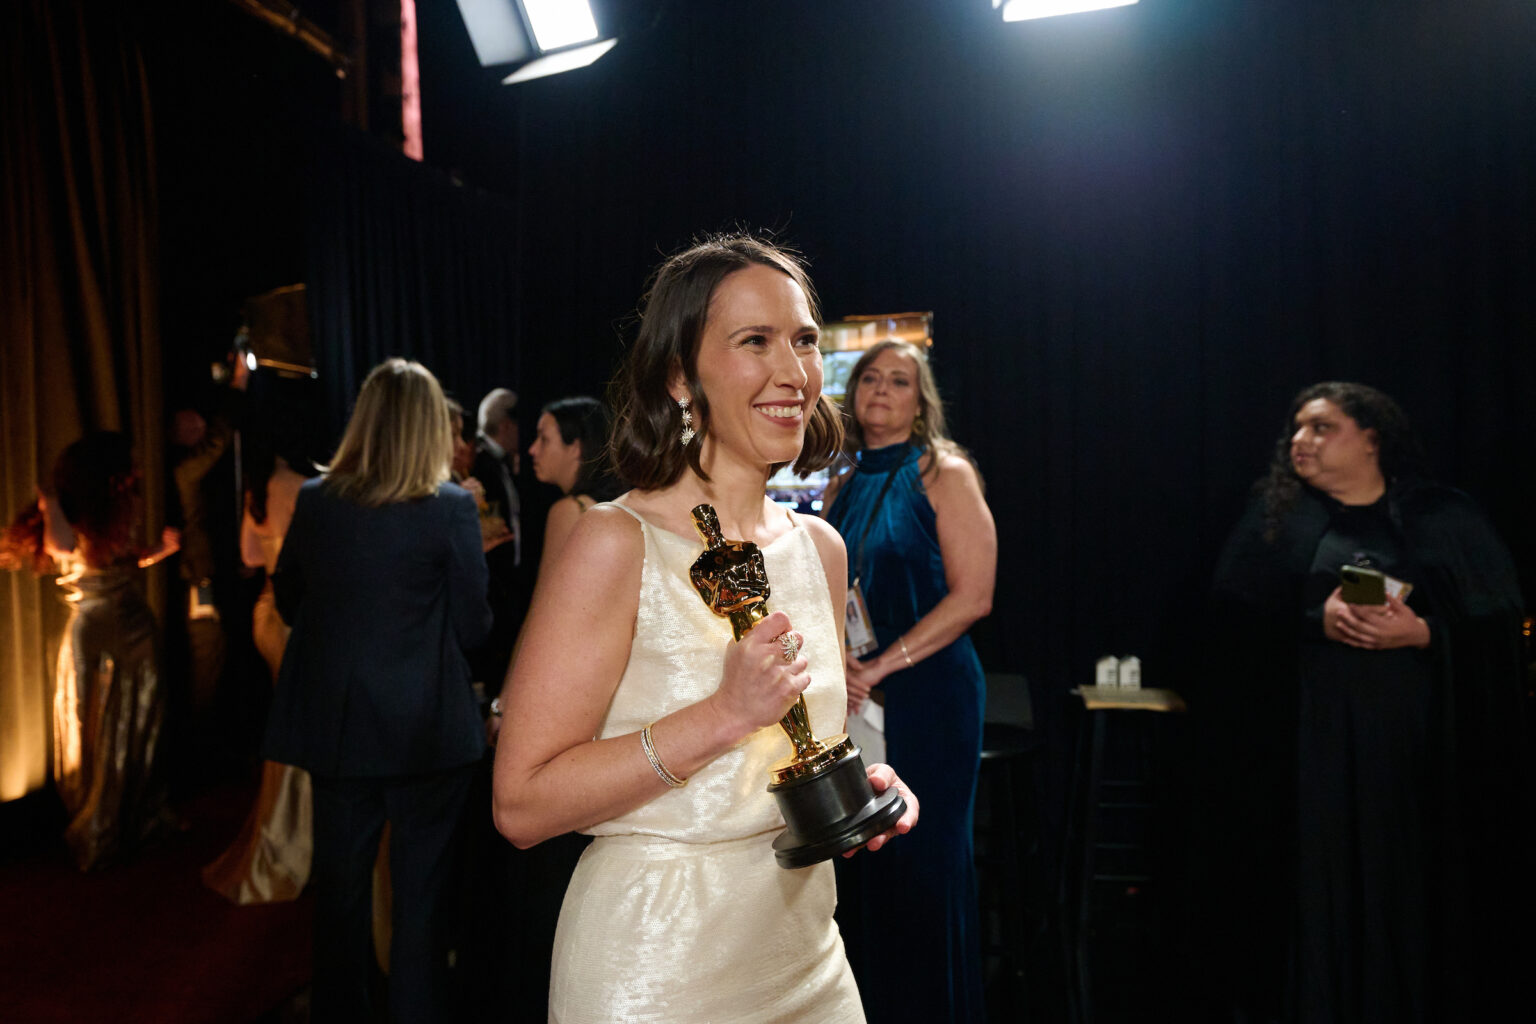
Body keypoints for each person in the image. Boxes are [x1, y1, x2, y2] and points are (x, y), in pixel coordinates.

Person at [492, 234, 919, 1023]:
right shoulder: (616, 543)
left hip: (809, 955)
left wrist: (859, 788)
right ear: (679, 376)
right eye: (754, 341)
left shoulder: (818, 547)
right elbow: (520, 805)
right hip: (655, 970)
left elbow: (792, 748)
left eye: (803, 341)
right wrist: (721, 716)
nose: (792, 372)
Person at [1204, 381, 1530, 1022]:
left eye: (1322, 428)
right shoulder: (1277, 523)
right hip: (1312, 751)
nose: (1301, 441)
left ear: (1372, 438)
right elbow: (1227, 630)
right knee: (1318, 887)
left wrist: (1426, 632)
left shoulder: (1442, 517)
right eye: (1296, 429)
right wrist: (1308, 621)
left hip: (1415, 757)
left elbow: (1502, 631)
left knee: (1407, 888)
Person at [262, 358, 492, 1023]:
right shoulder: (450, 507)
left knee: (340, 895)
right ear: (428, 427)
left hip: (341, 728)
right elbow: (475, 627)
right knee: (421, 903)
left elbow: (288, 598)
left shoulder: (315, 499)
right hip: (429, 729)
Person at [821, 337, 995, 1023]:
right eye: (871, 378)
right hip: (859, 698)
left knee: (925, 870)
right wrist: (844, 668)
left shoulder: (944, 470)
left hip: (932, 695)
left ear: (921, 401)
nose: (882, 391)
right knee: (866, 869)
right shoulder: (843, 480)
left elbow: (974, 596)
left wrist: (878, 666)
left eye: (899, 381)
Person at [2, 432, 181, 870]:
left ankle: (138, 815)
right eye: (129, 465)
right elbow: (60, 547)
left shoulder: (114, 510)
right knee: (97, 723)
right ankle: (98, 821)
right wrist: (49, 502)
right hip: (95, 628)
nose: (136, 472)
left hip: (135, 621)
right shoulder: (65, 506)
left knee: (142, 716)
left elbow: (122, 559)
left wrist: (159, 551)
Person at [202, 438, 314, 904]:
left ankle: (287, 834)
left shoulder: (257, 490)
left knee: (287, 722)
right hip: (296, 616)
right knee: (303, 729)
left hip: (264, 612)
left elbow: (249, 557)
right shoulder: (307, 487)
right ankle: (293, 839)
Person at [526, 395, 623, 582]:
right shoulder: (618, 503)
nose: (532, 449)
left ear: (575, 448)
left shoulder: (571, 510)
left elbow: (548, 605)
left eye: (544, 439)